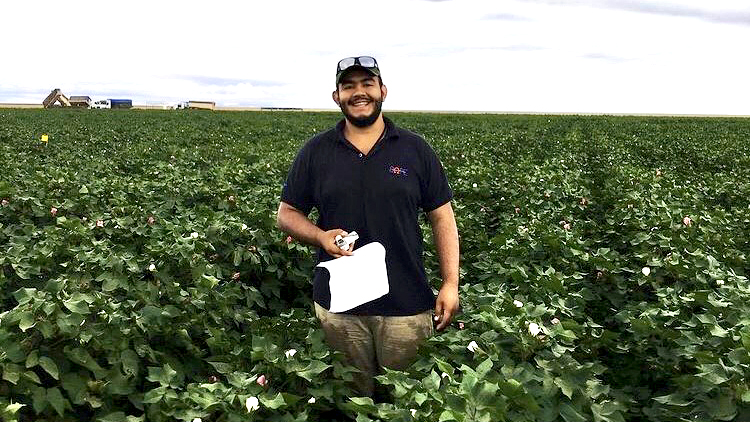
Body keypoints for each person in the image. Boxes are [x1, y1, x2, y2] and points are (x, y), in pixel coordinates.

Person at [276, 56, 459, 397]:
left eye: (367, 84)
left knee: (408, 403)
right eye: (349, 86)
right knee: (352, 404)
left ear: (383, 92)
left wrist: (450, 283)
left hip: (406, 306)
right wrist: (319, 235)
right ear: (336, 97)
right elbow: (286, 213)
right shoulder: (316, 151)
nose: (359, 93)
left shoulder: (414, 149)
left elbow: (442, 216)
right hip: (339, 309)